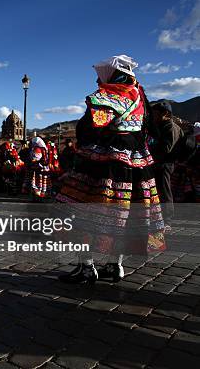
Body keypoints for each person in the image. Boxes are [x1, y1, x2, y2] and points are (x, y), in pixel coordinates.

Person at [55, 55, 165, 284]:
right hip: (137, 163)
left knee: (84, 211)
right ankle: (115, 265)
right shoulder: (139, 95)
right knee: (124, 216)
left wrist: (84, 142)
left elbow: (92, 125)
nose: (98, 80)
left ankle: (86, 267)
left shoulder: (108, 95)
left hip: (106, 163)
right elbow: (149, 130)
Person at [149, 101, 184, 231]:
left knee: (164, 191)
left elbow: (166, 149)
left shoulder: (171, 127)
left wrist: (150, 148)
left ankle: (167, 220)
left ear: (165, 114)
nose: (153, 116)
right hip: (158, 164)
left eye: (156, 114)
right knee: (158, 191)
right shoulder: (160, 126)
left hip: (165, 165)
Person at [23, 136, 52, 201]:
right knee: (41, 184)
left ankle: (36, 197)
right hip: (43, 169)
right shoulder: (44, 149)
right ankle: (40, 197)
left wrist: (30, 162)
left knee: (36, 184)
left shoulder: (36, 149)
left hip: (36, 169)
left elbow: (34, 159)